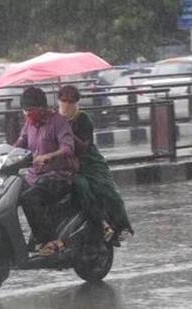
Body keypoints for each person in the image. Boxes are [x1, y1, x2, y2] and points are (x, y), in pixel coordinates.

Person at [57, 85, 134, 241]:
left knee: (107, 191)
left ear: (76, 103)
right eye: (63, 101)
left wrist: (68, 131)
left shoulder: (83, 119)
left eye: (71, 102)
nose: (66, 105)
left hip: (89, 162)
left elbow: (84, 146)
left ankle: (121, 225)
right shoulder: (54, 120)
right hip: (63, 165)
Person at [14, 86, 79, 256]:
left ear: (42, 108)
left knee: (29, 198)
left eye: (31, 110)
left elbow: (67, 148)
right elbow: (20, 142)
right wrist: (4, 153)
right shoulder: (29, 124)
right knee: (11, 193)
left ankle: (46, 240)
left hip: (57, 177)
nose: (28, 114)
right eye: (25, 111)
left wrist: (49, 156)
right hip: (33, 177)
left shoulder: (58, 122)